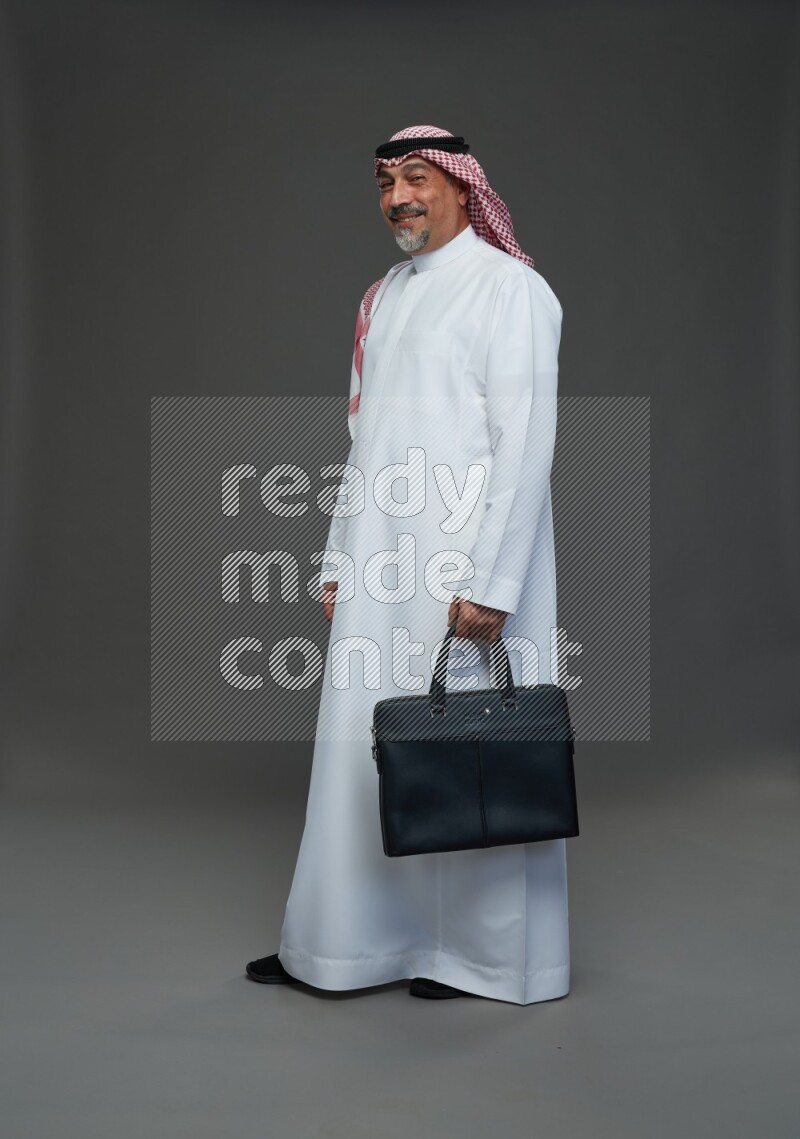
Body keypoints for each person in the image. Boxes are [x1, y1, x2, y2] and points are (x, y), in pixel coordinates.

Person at [246, 125, 567, 1003]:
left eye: (416, 178)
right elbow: (366, 443)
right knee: (364, 749)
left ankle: (481, 960)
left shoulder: (513, 291)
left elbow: (526, 442)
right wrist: (338, 557)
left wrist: (494, 584)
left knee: (471, 754)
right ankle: (346, 947)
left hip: (465, 567)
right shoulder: (382, 297)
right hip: (381, 562)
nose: (398, 198)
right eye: (386, 182)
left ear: (465, 188)